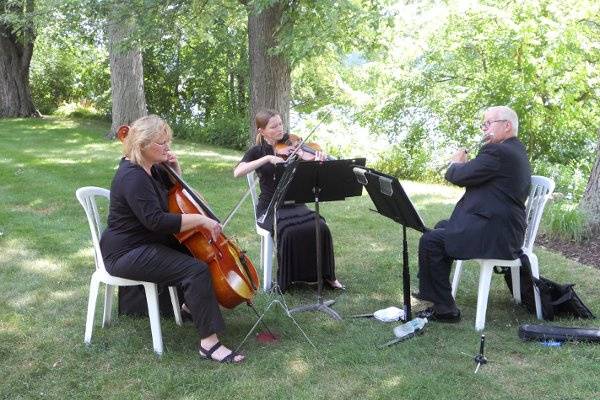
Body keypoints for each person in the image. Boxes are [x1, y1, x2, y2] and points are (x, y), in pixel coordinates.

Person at [100, 115, 244, 363]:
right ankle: (209, 345)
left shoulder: (153, 169)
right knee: (196, 270)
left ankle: (190, 306)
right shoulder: (132, 177)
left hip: (145, 242)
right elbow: (156, 220)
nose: (168, 148)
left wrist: (176, 171)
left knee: (195, 251)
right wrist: (201, 221)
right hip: (126, 253)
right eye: (161, 143)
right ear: (142, 145)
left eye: (168, 142)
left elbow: (178, 197)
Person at [415, 106, 532, 322]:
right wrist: (468, 167)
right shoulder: (514, 150)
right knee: (443, 225)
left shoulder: (498, 152)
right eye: (483, 125)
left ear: (507, 126)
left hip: (497, 234)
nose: (484, 130)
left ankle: (444, 309)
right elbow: (478, 176)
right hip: (505, 229)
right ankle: (439, 294)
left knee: (431, 240)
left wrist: (456, 162)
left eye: (489, 124)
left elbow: (458, 176)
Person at [233, 109, 344, 292]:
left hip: (295, 202)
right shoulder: (257, 151)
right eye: (274, 126)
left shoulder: (293, 145)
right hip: (270, 207)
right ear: (262, 131)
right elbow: (238, 172)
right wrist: (267, 158)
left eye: (280, 124)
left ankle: (327, 275)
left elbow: (312, 174)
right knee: (287, 230)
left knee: (321, 226)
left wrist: (318, 161)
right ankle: (289, 278)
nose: (280, 129)